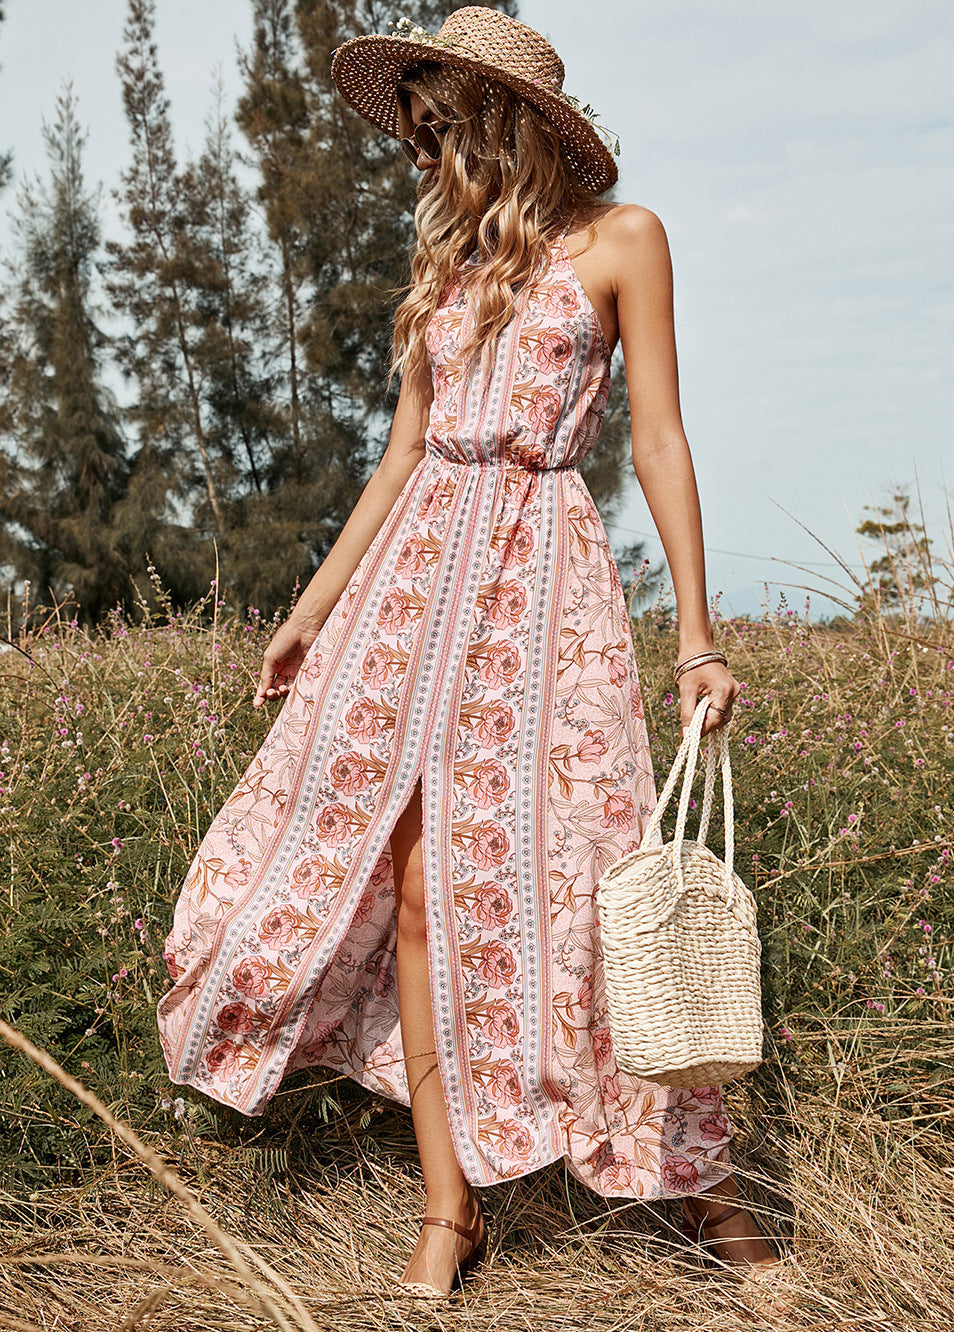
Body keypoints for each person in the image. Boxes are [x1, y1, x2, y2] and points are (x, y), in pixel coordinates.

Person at [157, 5, 789, 1309]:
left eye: (445, 121)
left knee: (596, 879)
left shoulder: (624, 240)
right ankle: (450, 1211)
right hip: (408, 588)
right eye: (420, 126)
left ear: (513, 121)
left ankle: (706, 1193)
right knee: (412, 889)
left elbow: (659, 440)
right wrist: (312, 605)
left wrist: (697, 636)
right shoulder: (446, 263)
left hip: (543, 581)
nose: (428, 147)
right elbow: (402, 453)